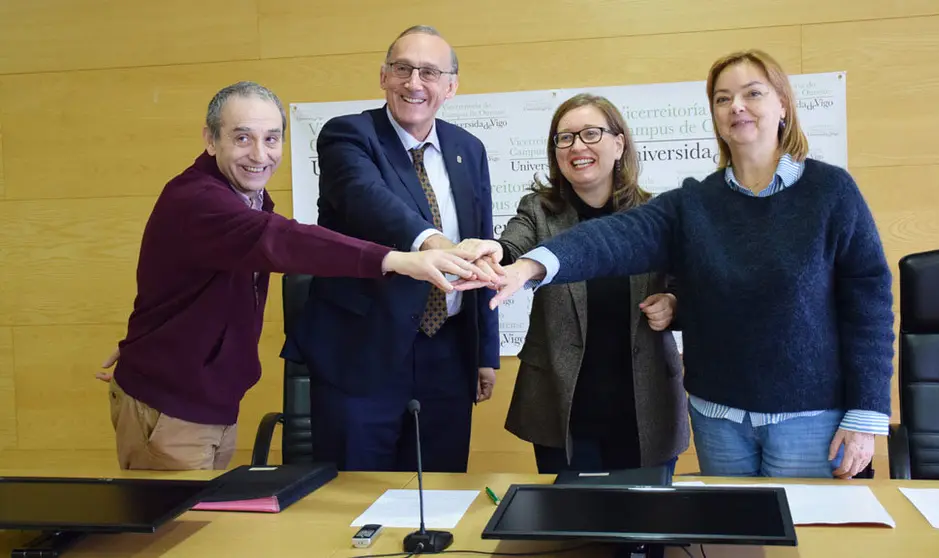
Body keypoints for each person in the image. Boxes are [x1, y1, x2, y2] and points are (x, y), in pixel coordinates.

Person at [470, 49, 895, 480]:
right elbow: (612, 237)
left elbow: (869, 308)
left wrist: (867, 414)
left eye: (752, 93)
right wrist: (529, 267)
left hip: (809, 420)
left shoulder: (831, 192)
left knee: (811, 545)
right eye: (723, 99)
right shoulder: (694, 202)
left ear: (782, 104)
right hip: (719, 420)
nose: (737, 107)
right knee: (731, 546)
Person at [98, 81, 491, 471]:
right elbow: (285, 240)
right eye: (241, 138)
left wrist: (149, 338)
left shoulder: (246, 196)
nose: (259, 154)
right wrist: (398, 259)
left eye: (271, 139)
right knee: (177, 531)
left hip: (203, 402)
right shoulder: (199, 200)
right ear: (210, 139)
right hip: (170, 403)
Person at [281, 25, 501, 473]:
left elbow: (482, 245)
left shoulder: (468, 149)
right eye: (402, 69)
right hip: (362, 352)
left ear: (451, 86)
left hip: (448, 353)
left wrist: (485, 355)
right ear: (383, 76)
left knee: (438, 491)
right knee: (352, 498)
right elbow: (369, 201)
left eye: (429, 72)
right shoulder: (347, 136)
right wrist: (433, 243)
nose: (413, 83)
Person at [460, 93, 689, 475]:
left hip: (644, 404)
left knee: (644, 526)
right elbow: (512, 246)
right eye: (564, 138)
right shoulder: (538, 210)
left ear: (619, 144)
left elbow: (687, 286)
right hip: (560, 404)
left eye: (590, 134)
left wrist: (674, 302)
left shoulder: (654, 214)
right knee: (570, 527)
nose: (576, 146)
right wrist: (495, 252)